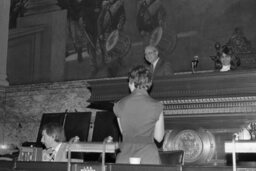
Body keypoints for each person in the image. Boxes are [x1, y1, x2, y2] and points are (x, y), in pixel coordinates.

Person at [113, 65, 165, 164]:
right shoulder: (157, 105)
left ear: (132, 83)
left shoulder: (119, 105)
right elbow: (159, 137)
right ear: (148, 84)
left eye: (129, 81)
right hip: (148, 158)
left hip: (125, 157)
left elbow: (124, 133)